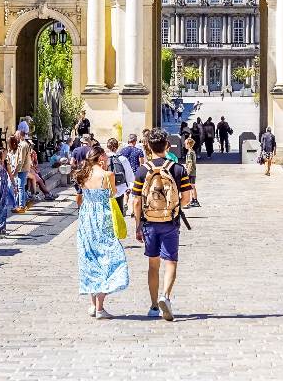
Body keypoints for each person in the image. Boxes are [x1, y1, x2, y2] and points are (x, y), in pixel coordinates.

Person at [132, 128, 193, 322]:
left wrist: (138, 225)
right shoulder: (178, 169)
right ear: (167, 146)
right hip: (170, 222)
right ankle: (165, 296)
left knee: (153, 264)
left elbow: (135, 201)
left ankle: (152, 306)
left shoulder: (142, 170)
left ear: (148, 146)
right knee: (171, 262)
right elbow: (186, 198)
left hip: (149, 222)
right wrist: (173, 208)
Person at [75, 145, 129, 319]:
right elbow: (112, 194)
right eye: (105, 155)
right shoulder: (107, 175)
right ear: (100, 158)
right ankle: (100, 308)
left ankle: (92, 305)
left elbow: (80, 197)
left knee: (90, 259)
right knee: (108, 259)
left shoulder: (83, 175)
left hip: (86, 218)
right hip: (102, 218)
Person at [105, 138, 135, 215]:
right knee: (119, 212)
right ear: (117, 147)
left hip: (106, 189)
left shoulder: (104, 158)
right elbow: (129, 174)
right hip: (120, 188)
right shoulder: (122, 158)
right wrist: (129, 186)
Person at [182, 137, 200, 208]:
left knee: (190, 187)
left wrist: (187, 173)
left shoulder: (189, 153)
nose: (184, 145)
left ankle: (193, 200)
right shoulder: (193, 152)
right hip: (193, 172)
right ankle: (194, 200)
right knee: (192, 186)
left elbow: (190, 163)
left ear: (189, 144)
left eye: (186, 143)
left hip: (190, 172)